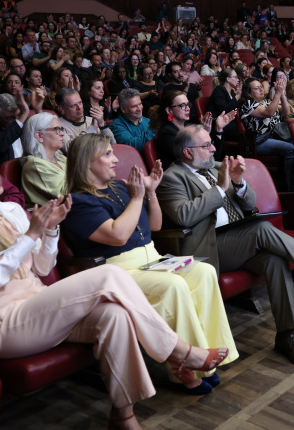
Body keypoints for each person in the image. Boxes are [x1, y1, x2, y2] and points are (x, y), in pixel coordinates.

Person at [0, 150, 227, 428]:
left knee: (115, 315)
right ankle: (178, 350)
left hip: (38, 306)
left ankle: (123, 415)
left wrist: (50, 230)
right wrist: (32, 233)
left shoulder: (10, 210)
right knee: (109, 274)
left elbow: (42, 267)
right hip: (2, 324)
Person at [156, 125, 294, 366]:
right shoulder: (172, 178)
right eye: (206, 146)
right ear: (188, 152)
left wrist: (239, 183)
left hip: (239, 241)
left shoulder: (216, 168)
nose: (214, 148)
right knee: (259, 228)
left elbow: (250, 205)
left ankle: (286, 335)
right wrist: (220, 188)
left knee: (274, 260)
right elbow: (182, 216)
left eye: (212, 143)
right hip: (209, 248)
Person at [62, 134, 237, 395]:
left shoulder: (121, 187)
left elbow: (155, 226)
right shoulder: (78, 201)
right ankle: (186, 369)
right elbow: (118, 235)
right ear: (87, 162)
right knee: (174, 286)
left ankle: (211, 359)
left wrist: (151, 193)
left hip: (152, 259)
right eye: (108, 154)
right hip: (119, 273)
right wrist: (137, 197)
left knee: (204, 271)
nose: (116, 159)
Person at [239, 77, 294, 190]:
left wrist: (282, 94)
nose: (261, 90)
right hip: (260, 140)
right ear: (249, 93)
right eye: (256, 88)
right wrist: (277, 94)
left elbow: (286, 112)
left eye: (261, 87)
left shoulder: (268, 102)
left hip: (278, 136)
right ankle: (290, 187)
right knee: (290, 148)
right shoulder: (248, 104)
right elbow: (268, 113)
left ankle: (291, 181)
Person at [0, 93, 42, 167]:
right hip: (6, 175)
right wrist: (23, 115)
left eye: (18, 115)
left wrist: (38, 110)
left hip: (28, 169)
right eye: (10, 118)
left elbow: (44, 133)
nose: (16, 120)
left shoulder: (22, 122)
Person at [21, 113, 68, 206]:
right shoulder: (35, 164)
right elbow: (65, 195)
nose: (62, 133)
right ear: (39, 136)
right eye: (57, 130)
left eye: (61, 129)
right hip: (55, 217)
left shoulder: (61, 158)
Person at [56, 87, 115, 153]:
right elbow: (71, 150)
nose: (79, 107)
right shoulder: (57, 126)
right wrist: (92, 128)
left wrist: (102, 125)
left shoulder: (91, 120)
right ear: (61, 108)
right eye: (73, 105)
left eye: (80, 103)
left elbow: (113, 144)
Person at [111, 88, 155, 153]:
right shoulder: (116, 126)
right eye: (134, 106)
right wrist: (155, 129)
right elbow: (131, 146)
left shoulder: (147, 121)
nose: (139, 109)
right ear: (123, 109)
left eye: (140, 104)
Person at [210, 68, 241, 140]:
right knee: (242, 128)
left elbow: (235, 107)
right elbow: (224, 110)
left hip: (229, 121)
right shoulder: (219, 90)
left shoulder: (232, 92)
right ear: (228, 79)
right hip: (219, 124)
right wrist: (238, 95)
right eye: (235, 77)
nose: (238, 80)